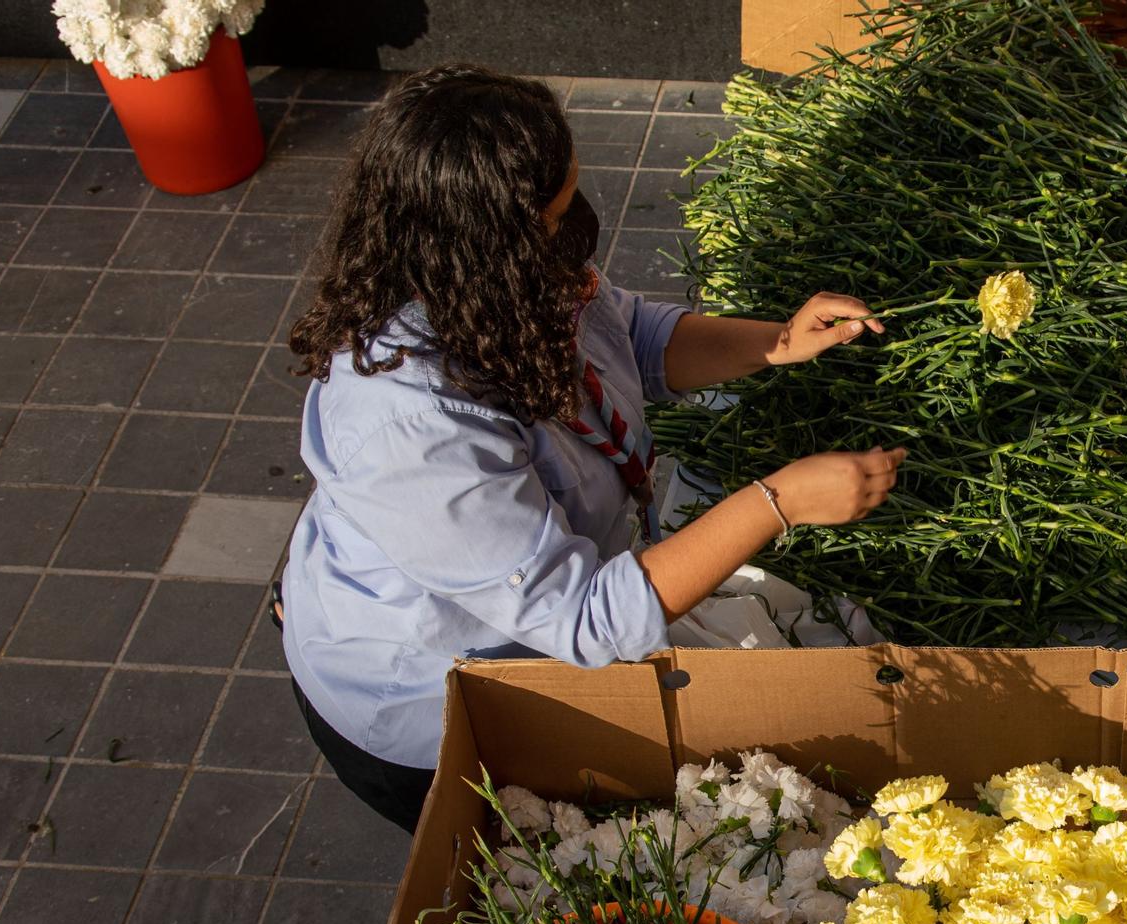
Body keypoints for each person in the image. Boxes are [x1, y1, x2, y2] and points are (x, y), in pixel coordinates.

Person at [282, 67, 904, 833]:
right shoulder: (411, 426)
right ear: (485, 242)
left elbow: (632, 335)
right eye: (557, 215)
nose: (579, 227)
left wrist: (777, 343)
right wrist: (777, 502)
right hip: (434, 708)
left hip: (545, 616)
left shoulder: (506, 279)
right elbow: (584, 616)